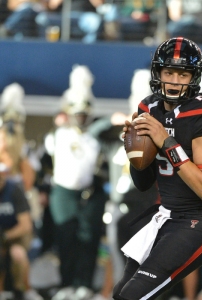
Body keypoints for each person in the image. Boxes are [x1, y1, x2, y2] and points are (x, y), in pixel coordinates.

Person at [112, 37, 202, 300]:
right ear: (158, 72)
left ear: (194, 77)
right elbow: (143, 183)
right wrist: (135, 151)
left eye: (183, 73)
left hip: (199, 222)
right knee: (121, 293)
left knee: (132, 297)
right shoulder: (149, 107)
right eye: (169, 72)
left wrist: (166, 141)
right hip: (167, 218)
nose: (175, 81)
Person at [44, 66, 108, 300]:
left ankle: (85, 284)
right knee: (65, 239)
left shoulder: (94, 136)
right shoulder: (58, 135)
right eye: (77, 114)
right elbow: (46, 159)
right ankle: (66, 283)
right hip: (63, 192)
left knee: (88, 240)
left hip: (88, 193)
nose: (81, 118)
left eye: (84, 114)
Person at [0, 129, 43, 300]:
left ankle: (22, 289)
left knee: (18, 254)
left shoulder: (14, 187)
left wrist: (4, 236)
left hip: (13, 232)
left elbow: (25, 225)